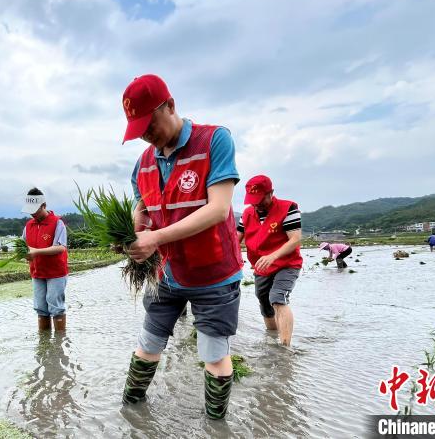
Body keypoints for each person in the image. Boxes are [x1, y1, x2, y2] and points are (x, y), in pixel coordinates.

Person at [120, 74, 244, 420]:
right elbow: (141, 208)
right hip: (166, 275)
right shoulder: (142, 163)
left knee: (214, 352)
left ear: (170, 106)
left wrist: (156, 238)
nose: (147, 135)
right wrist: (133, 234)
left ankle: (215, 426)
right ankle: (129, 412)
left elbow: (218, 208)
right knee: (147, 344)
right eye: (139, 129)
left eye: (150, 124)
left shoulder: (214, 141)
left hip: (213, 273)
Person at [236, 175, 302, 346]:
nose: (256, 204)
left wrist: (273, 255)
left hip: (287, 264)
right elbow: (236, 239)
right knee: (263, 300)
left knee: (278, 297)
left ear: (271, 193)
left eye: (260, 199)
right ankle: (272, 337)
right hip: (261, 266)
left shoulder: (288, 208)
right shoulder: (247, 213)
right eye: (252, 200)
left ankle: (285, 347)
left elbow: (295, 239)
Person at [21, 188, 69, 332]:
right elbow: (23, 245)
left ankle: (59, 344)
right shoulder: (28, 225)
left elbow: (61, 248)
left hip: (56, 272)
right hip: (37, 271)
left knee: (56, 306)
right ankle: (44, 344)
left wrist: (36, 252)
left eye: (35, 209)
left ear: (44, 205)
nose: (32, 213)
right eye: (30, 210)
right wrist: (25, 254)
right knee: (40, 307)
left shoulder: (57, 223)